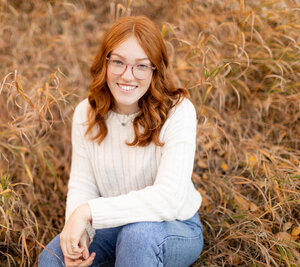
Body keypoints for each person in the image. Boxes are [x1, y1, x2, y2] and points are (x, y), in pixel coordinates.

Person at [38, 15, 203, 267]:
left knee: (136, 237)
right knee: (53, 260)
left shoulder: (179, 111)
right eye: (118, 62)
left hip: (172, 226)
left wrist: (88, 213)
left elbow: (168, 199)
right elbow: (83, 184)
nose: (128, 76)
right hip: (111, 226)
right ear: (104, 62)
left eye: (141, 66)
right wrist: (81, 233)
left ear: (155, 69)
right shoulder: (86, 113)